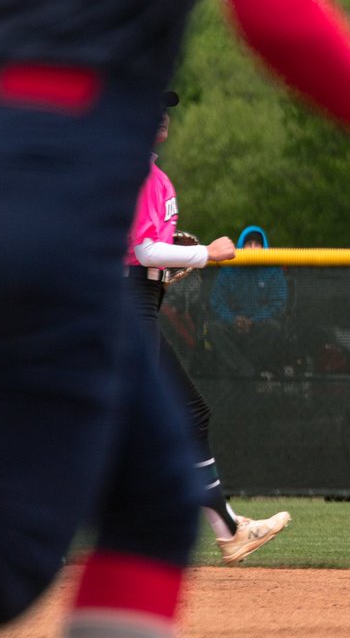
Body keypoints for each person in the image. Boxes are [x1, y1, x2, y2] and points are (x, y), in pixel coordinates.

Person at [0, 0, 350, 632]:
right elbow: (270, 2)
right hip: (39, 199)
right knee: (17, 554)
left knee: (155, 489)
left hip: (41, 213)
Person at [128, 99, 291, 564]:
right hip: (127, 304)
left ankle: (230, 529)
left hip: (138, 303)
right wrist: (206, 255)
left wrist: (172, 249)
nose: (162, 113)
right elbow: (141, 250)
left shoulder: (150, 173)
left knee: (178, 417)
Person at [209, 224, 289, 374]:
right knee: (214, 328)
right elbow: (217, 302)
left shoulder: (273, 271)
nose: (252, 248)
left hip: (259, 327)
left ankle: (245, 372)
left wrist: (254, 321)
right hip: (232, 326)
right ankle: (247, 372)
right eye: (249, 244)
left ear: (263, 247)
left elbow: (278, 304)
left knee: (273, 328)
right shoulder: (228, 270)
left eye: (257, 244)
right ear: (241, 246)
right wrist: (233, 319)